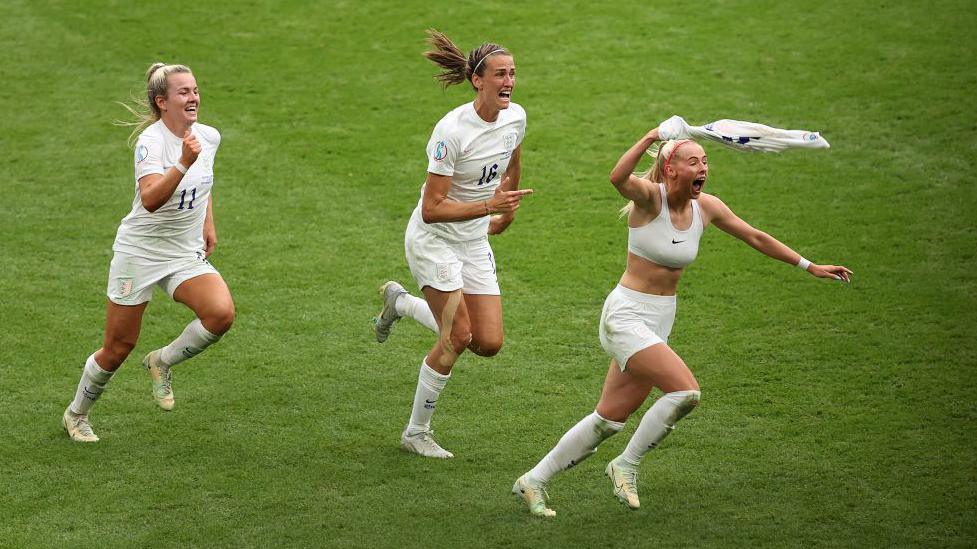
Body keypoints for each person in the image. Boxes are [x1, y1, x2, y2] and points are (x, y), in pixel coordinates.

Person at [512, 125, 852, 517]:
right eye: (694, 161)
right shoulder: (648, 199)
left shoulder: (706, 207)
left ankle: (533, 481)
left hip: (659, 321)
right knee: (685, 392)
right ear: (670, 169)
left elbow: (755, 237)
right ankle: (626, 465)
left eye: (705, 161)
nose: (703, 167)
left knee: (609, 419)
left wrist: (809, 266)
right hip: (626, 315)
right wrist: (652, 134)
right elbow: (617, 177)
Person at [373, 30, 532, 459]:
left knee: (489, 342)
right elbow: (432, 209)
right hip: (435, 241)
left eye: (513, 73)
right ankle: (416, 432)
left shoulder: (515, 116)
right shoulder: (450, 132)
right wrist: (489, 205)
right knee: (457, 336)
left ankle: (401, 305)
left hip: (473, 238)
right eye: (501, 73)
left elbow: (513, 156)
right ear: (478, 80)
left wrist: (508, 207)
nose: (509, 81)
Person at [61, 63, 235, 442]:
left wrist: (208, 222)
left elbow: (204, 183)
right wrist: (182, 161)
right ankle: (76, 414)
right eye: (183, 92)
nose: (193, 98)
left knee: (220, 314)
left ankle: (162, 361)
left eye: (195, 90)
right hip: (139, 253)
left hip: (183, 251)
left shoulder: (208, 137)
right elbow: (153, 198)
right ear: (162, 102)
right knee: (118, 346)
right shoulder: (151, 143)